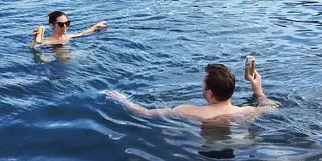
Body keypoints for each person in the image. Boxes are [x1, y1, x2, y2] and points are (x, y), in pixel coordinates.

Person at [106, 63, 276, 121]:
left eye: (203, 85)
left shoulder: (188, 111)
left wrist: (122, 100)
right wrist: (258, 91)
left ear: (209, 94)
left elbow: (144, 113)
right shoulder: (247, 112)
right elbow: (272, 108)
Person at [29, 10, 106, 48]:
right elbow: (33, 49)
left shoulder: (67, 36)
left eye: (67, 23)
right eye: (61, 24)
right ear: (51, 25)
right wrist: (34, 40)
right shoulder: (47, 41)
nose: (65, 26)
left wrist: (96, 25)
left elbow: (83, 33)